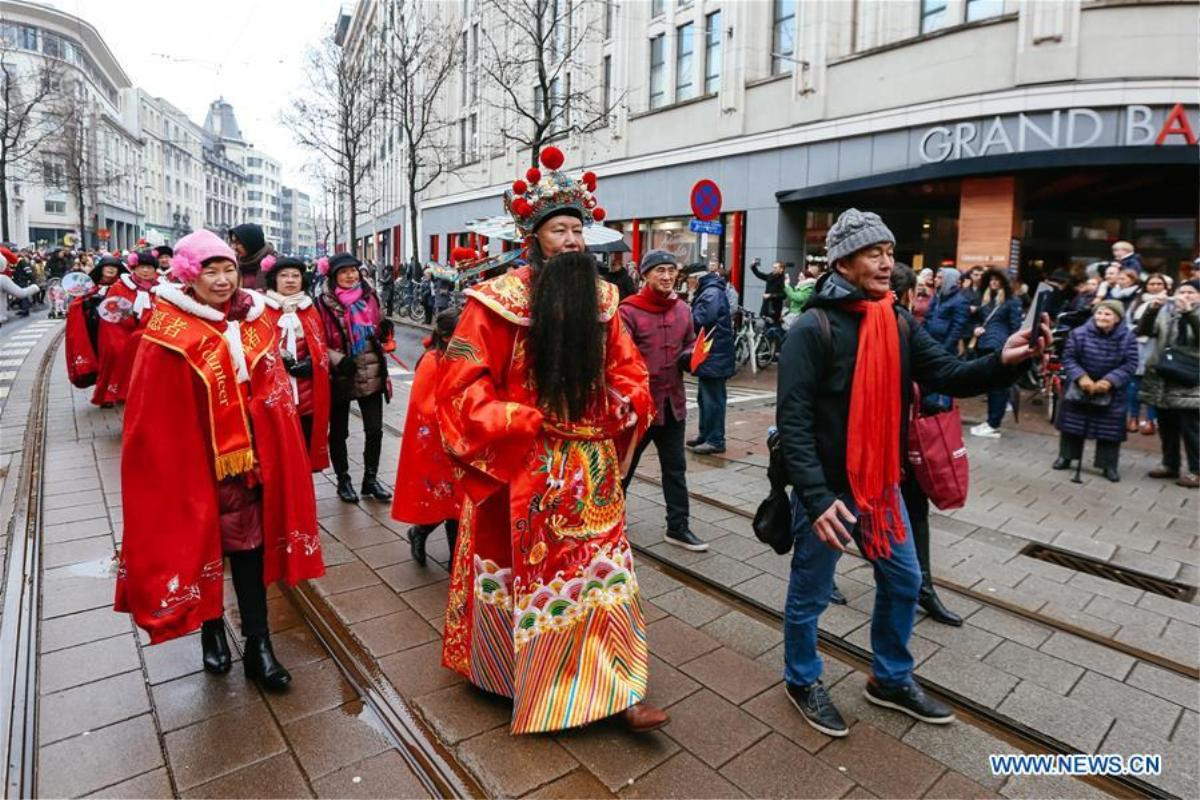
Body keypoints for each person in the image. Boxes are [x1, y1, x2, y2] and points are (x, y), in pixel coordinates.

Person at [775, 208, 1048, 737]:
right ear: (843, 261)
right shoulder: (813, 327)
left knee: (904, 579)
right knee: (810, 595)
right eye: (874, 253)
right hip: (829, 493)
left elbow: (949, 373)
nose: (887, 263)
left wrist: (1004, 360)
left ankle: (890, 678)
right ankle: (801, 678)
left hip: (881, 484)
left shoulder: (896, 319)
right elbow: (794, 422)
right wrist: (813, 495)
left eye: (889, 252)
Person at [435, 146, 664, 734]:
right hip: (523, 463)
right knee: (525, 575)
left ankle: (618, 688)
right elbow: (460, 385)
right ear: (533, 238)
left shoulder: (605, 303)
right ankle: (512, 676)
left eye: (577, 230)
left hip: (589, 466)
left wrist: (624, 399)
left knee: (605, 574)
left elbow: (631, 371)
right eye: (558, 229)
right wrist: (513, 418)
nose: (571, 241)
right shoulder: (495, 304)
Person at [115, 229, 324, 690]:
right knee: (205, 552)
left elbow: (273, 389)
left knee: (250, 553)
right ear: (191, 275)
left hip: (254, 465)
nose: (224, 279)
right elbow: (152, 413)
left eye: (229, 268)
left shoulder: (255, 319)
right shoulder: (167, 331)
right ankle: (211, 630)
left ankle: (259, 644)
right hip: (195, 467)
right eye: (211, 270)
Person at [619, 249, 708, 551]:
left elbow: (689, 342)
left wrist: (692, 357)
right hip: (639, 407)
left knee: (675, 468)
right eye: (660, 270)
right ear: (645, 275)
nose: (667, 276)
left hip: (673, 404)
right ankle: (612, 522)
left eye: (671, 270)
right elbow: (620, 358)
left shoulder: (683, 309)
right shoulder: (628, 311)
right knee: (623, 469)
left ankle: (678, 526)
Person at [890, 264, 962, 626]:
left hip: (908, 441)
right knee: (851, 513)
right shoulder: (894, 324)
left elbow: (945, 369)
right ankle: (918, 586)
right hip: (880, 446)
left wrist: (1003, 361)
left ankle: (924, 587)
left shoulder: (910, 326)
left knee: (915, 511)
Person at [317, 252, 393, 504]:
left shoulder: (370, 297)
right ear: (334, 276)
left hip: (371, 369)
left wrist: (384, 329)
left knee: (374, 430)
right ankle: (343, 480)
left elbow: (380, 324)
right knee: (339, 432)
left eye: (354, 270)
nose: (351, 275)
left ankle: (370, 479)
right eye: (344, 272)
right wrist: (338, 360)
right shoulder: (323, 304)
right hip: (341, 375)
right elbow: (316, 341)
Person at [390, 308, 463, 566]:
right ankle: (420, 533)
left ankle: (456, 560)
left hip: (461, 442)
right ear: (444, 335)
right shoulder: (432, 361)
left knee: (457, 501)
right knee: (445, 498)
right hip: (437, 444)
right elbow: (424, 406)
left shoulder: (464, 357)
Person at [1053, 301, 1138, 482]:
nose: (1102, 317)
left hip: (1111, 389)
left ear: (1117, 318)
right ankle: (1066, 457)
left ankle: (1108, 465)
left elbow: (1130, 364)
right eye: (1099, 313)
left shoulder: (1128, 337)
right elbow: (1068, 358)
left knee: (1110, 430)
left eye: (1107, 314)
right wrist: (1081, 377)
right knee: (1072, 425)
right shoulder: (1078, 333)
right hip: (1080, 385)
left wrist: (1109, 381)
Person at [261, 255, 331, 472]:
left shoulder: (309, 310)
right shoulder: (262, 310)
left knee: (304, 456)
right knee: (280, 457)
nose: (290, 280)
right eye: (284, 275)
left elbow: (320, 346)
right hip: (276, 397)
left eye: (295, 275)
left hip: (308, 396)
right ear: (274, 279)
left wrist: (312, 362)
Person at [1139, 279, 1200, 488]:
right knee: (1167, 425)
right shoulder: (1167, 312)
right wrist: (1152, 309)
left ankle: (1196, 470)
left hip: (1189, 377)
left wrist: (1190, 313)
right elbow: (1144, 330)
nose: (1185, 295)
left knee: (1191, 427)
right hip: (1163, 375)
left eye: (1191, 292)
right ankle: (1170, 464)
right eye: (1181, 291)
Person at [968, 269, 1024, 439]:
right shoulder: (987, 298)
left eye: (997, 280)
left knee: (998, 387)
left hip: (999, 347)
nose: (993, 282)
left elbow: (1016, 327)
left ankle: (994, 424)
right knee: (992, 387)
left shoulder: (1011, 301)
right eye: (991, 279)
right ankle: (991, 421)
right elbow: (978, 319)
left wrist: (1012, 348)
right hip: (985, 345)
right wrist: (975, 328)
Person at [689, 264, 735, 455]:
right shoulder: (711, 291)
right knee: (705, 397)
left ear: (697, 278)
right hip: (712, 354)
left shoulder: (711, 294)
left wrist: (686, 311)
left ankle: (715, 439)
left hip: (714, 354)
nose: (688, 284)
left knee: (713, 399)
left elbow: (700, 320)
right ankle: (706, 434)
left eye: (689, 280)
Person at [1128, 273, 1170, 434]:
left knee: (1153, 384)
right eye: (1152, 283)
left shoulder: (1170, 303)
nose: (1155, 286)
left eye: (1159, 283)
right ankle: (1133, 417)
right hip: (1137, 344)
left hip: (1158, 346)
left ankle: (1151, 420)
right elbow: (1127, 322)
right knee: (1134, 383)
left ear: (1165, 286)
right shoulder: (1137, 302)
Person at [923, 267, 970, 354]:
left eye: (940, 277)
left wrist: (944, 349)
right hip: (930, 344)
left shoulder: (960, 301)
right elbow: (928, 318)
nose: (935, 279)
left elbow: (957, 329)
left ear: (949, 280)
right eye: (936, 277)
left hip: (944, 348)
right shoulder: (937, 297)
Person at [0, 248, 40, 326]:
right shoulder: (2, 278)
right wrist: (35, 287)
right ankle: (23, 309)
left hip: (21, 280)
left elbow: (27, 270)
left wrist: (30, 278)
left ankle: (25, 309)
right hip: (17, 281)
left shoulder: (20, 260)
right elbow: (21, 293)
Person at [229, 223, 273, 290]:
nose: (234, 247)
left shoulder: (275, 263)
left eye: (238, 243)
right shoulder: (234, 263)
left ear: (251, 243)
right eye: (233, 242)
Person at [751, 258, 786, 323]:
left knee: (772, 328)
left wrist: (770, 295)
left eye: (775, 268)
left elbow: (784, 295)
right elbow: (761, 275)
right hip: (766, 307)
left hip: (774, 309)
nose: (773, 269)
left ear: (781, 269)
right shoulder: (771, 275)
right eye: (773, 267)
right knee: (763, 327)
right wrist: (753, 267)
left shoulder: (783, 280)